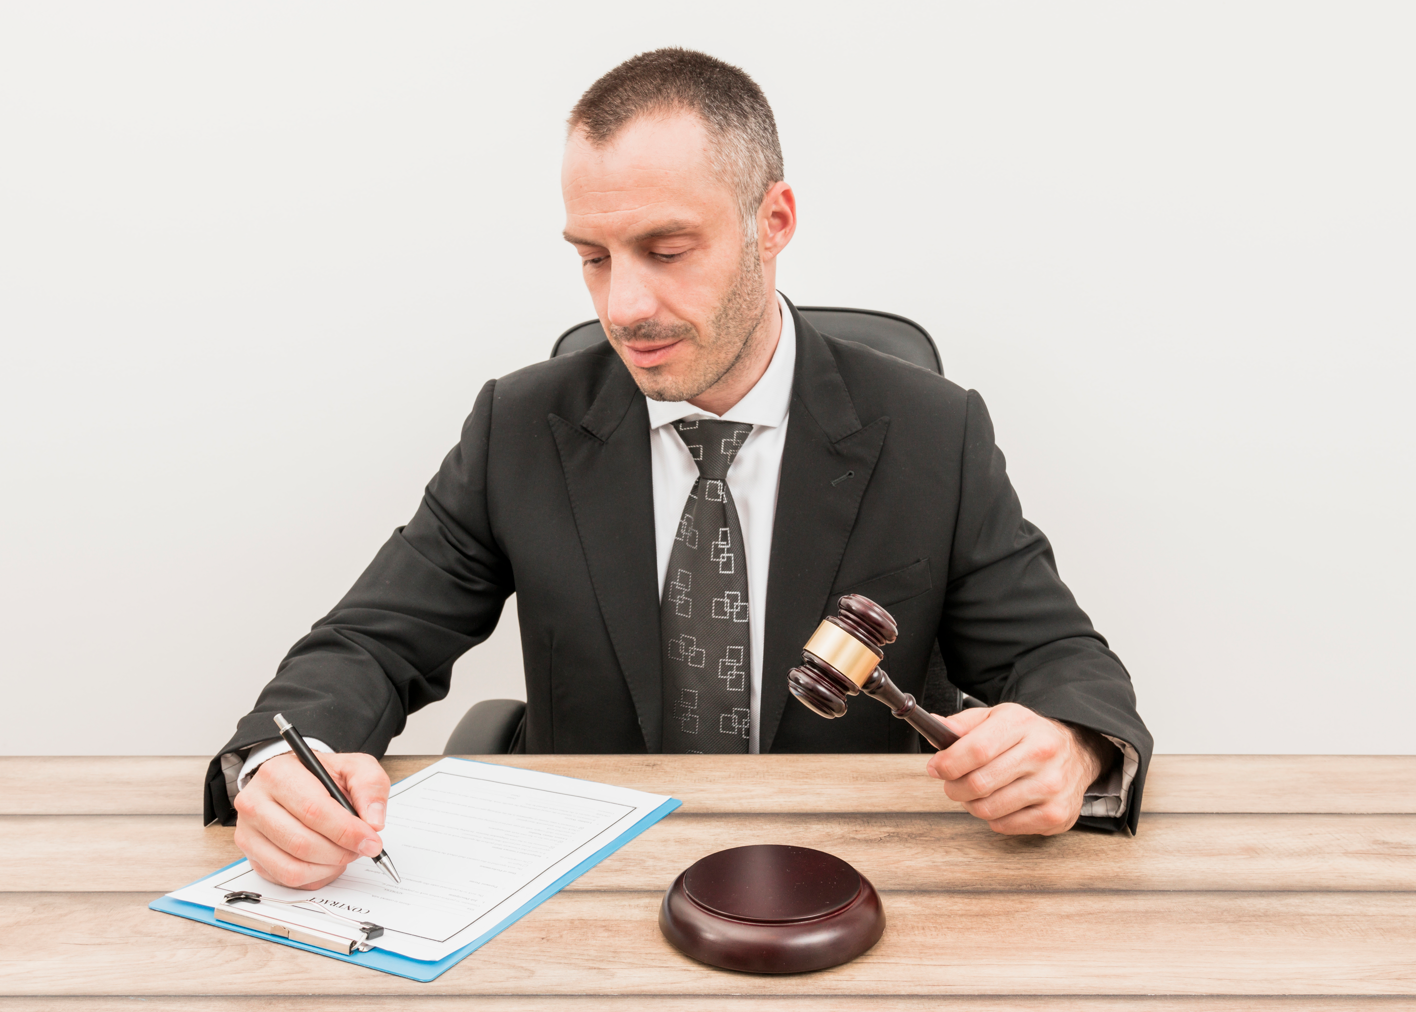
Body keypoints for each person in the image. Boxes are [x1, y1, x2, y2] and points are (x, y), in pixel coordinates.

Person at [206, 48, 1152, 891]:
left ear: (772, 221)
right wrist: (281, 765)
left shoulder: (930, 432)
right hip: (589, 877)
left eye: (666, 251)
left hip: (858, 873)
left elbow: (1059, 660)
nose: (625, 306)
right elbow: (372, 643)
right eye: (592, 258)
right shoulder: (521, 426)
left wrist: (1068, 743)